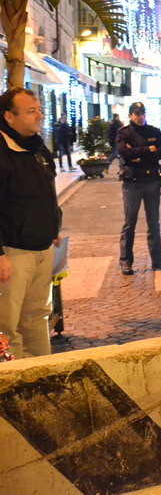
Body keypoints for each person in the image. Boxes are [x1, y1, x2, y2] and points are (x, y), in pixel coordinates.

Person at [0, 87, 61, 359]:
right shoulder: (3, 151)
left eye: (39, 109)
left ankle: (41, 373)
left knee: (38, 316)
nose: (39, 116)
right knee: (7, 325)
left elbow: (47, 190)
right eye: (30, 111)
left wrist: (54, 226)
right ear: (9, 117)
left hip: (42, 247)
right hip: (13, 252)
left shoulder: (36, 147)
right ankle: (12, 378)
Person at [115, 102, 161, 275]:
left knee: (154, 222)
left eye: (143, 113)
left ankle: (158, 260)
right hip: (133, 182)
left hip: (152, 181)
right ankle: (126, 261)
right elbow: (124, 153)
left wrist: (138, 154)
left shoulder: (154, 131)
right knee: (130, 223)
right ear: (130, 115)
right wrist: (148, 150)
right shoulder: (124, 133)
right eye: (137, 114)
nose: (141, 117)